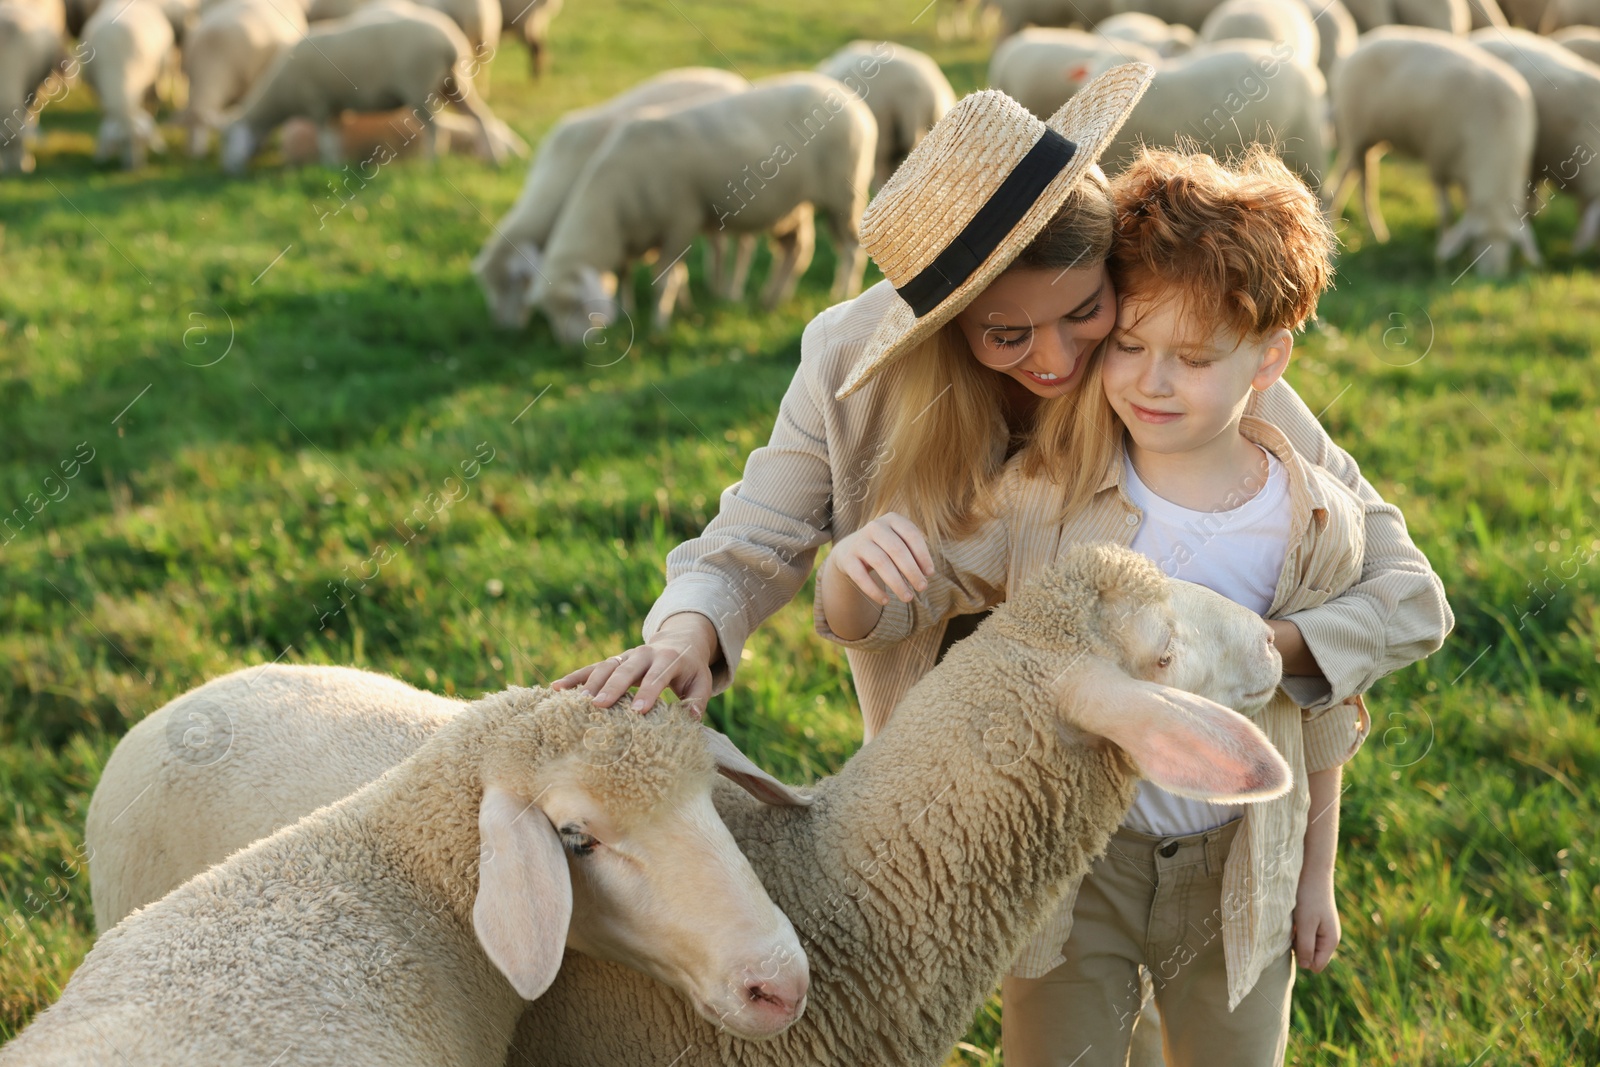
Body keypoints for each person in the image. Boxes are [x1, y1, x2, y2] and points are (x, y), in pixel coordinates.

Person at [554, 71, 1446, 756]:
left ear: (1114, 272)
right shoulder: (849, 362)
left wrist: (1260, 648)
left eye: (1085, 314)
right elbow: (760, 529)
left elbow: (1397, 576)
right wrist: (684, 634)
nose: (1058, 360)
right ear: (945, 325)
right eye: (1008, 334)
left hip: (1153, 763)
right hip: (941, 748)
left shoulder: (1163, 358)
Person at [817, 145, 1452, 1065]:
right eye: (1129, 346)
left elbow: (1324, 720)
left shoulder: (1312, 517)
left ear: (1269, 359)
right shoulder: (1050, 496)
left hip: (1238, 862)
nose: (1152, 381)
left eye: (1192, 359)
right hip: (1078, 861)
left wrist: (1316, 877)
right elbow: (893, 607)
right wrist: (850, 570)